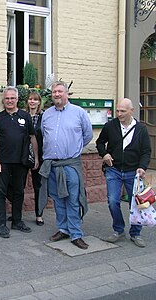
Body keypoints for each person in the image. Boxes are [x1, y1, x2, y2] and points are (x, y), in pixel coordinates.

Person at [38, 81, 92, 250]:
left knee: (73, 199)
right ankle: (63, 229)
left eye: (60, 91)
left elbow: (88, 135)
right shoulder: (46, 114)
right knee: (57, 199)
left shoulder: (79, 113)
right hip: (52, 165)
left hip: (70, 164)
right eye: (54, 92)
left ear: (67, 94)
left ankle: (76, 234)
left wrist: (73, 147)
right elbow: (43, 134)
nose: (57, 94)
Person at [96, 98, 151, 248]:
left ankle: (135, 233)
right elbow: (100, 142)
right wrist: (104, 154)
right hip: (113, 170)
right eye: (117, 111)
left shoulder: (141, 129)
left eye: (122, 111)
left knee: (136, 204)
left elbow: (146, 152)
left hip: (133, 172)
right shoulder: (110, 126)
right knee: (113, 201)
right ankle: (119, 230)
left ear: (131, 111)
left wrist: (142, 167)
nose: (119, 114)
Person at [0, 86, 39, 238]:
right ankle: (1, 224)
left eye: (12, 98)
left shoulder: (25, 116)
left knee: (19, 191)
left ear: (17, 99)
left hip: (21, 162)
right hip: (3, 163)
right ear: (3, 100)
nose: (9, 100)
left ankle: (17, 221)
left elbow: (32, 137)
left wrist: (36, 158)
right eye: (7, 98)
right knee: (1, 192)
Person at [26, 91, 45, 226]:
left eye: (35, 99)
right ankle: (16, 214)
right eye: (30, 99)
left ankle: (39, 214)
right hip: (23, 155)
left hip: (39, 155)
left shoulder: (43, 117)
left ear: (39, 102)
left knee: (38, 185)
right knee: (17, 185)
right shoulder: (23, 116)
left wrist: (38, 157)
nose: (32, 101)